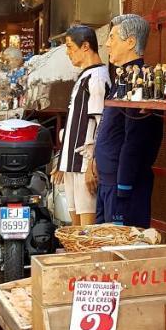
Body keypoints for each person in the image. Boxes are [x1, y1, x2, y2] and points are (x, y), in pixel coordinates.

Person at [94, 14, 163, 227]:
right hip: (107, 183)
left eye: (113, 38)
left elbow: (135, 141)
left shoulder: (140, 82)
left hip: (123, 187)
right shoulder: (121, 79)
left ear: (131, 42)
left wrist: (124, 185)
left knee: (122, 248)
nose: (107, 44)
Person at [53, 25, 110, 226]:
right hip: (72, 164)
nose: (68, 53)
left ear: (85, 46)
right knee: (75, 231)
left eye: (70, 47)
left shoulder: (97, 78)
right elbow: (74, 124)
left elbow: (100, 123)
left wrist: (92, 165)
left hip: (84, 164)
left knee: (87, 232)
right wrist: (63, 161)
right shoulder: (84, 77)